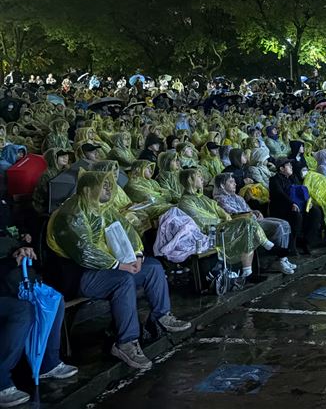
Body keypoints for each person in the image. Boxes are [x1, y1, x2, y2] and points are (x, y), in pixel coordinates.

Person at [47, 171, 191, 370]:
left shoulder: (104, 209)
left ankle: (161, 316)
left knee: (152, 268)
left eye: (109, 184)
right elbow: (84, 252)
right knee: (123, 280)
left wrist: (138, 255)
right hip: (80, 276)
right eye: (104, 184)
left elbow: (128, 231)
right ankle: (126, 342)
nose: (109, 188)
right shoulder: (70, 213)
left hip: (111, 268)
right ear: (88, 189)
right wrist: (119, 265)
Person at [1, 244, 78, 408]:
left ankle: (47, 363)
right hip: (6, 286)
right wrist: (12, 261)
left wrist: (22, 249)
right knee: (22, 310)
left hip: (14, 281)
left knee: (53, 300)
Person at [212, 173, 295, 275]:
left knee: (285, 223)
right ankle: (276, 260)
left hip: (254, 220)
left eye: (234, 181)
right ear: (222, 185)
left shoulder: (237, 197)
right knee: (278, 227)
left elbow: (248, 210)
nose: (235, 184)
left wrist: (255, 211)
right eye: (231, 182)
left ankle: (282, 259)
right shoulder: (220, 200)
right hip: (243, 227)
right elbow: (235, 215)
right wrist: (252, 214)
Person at [269, 159, 321, 255]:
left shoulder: (293, 178)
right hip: (283, 208)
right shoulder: (274, 180)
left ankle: (307, 241)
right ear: (281, 168)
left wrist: (309, 201)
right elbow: (280, 195)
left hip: (299, 205)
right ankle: (292, 245)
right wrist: (291, 204)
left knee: (315, 212)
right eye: (288, 165)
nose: (291, 167)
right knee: (296, 216)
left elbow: (302, 191)